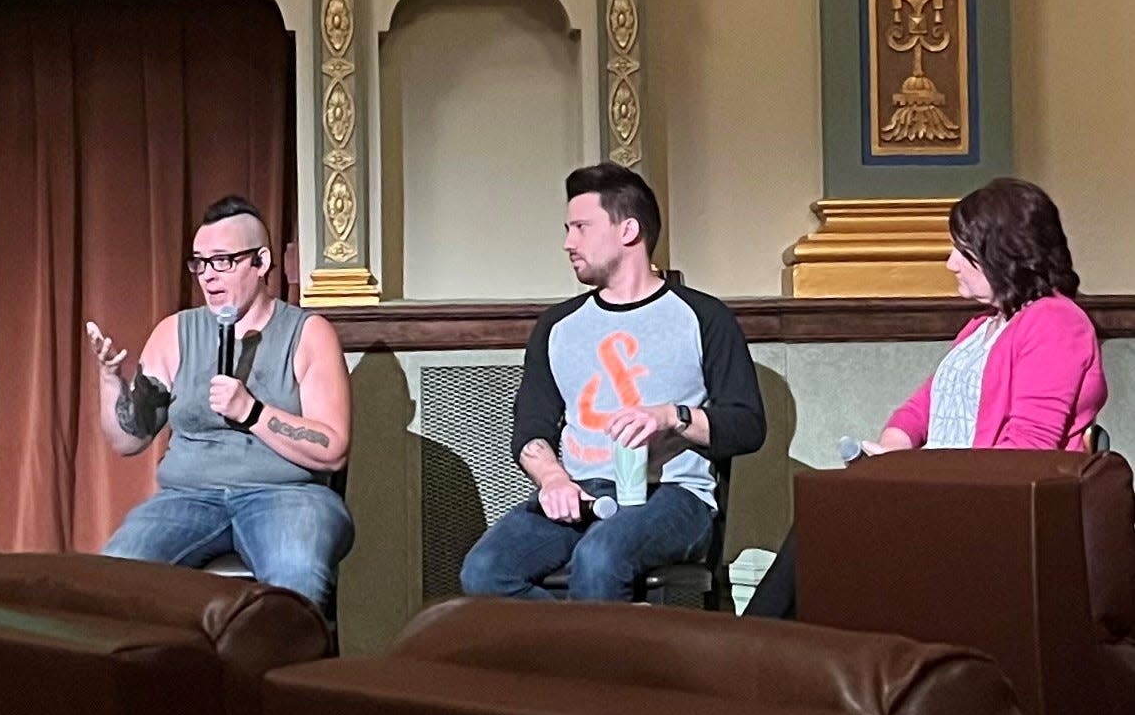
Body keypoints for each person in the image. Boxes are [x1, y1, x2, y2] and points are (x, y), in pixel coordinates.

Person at [746, 177, 1108, 619]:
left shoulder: (1053, 322)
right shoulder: (981, 327)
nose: (951, 262)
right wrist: (890, 451)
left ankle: (756, 653)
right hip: (946, 492)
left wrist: (919, 474)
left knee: (832, 516)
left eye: (963, 250)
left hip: (995, 509)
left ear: (1004, 252)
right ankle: (776, 654)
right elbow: (920, 410)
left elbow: (1026, 452)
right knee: (827, 505)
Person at [460, 162, 766, 601]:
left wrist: (672, 417)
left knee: (600, 556)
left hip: (675, 496)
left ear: (628, 231)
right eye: (568, 228)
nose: (568, 243)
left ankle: (596, 664)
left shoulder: (702, 317)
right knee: (485, 570)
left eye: (582, 227)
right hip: (584, 494)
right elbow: (531, 430)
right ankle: (583, 658)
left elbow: (748, 425)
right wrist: (552, 479)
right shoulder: (557, 326)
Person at [86, 196, 354, 609]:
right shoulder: (175, 332)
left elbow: (333, 449)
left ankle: (282, 674)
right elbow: (128, 440)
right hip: (188, 497)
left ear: (261, 262)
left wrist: (252, 412)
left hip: (286, 495)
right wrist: (109, 381)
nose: (209, 276)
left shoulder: (308, 334)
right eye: (200, 263)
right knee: (114, 574)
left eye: (223, 261)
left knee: (295, 578)